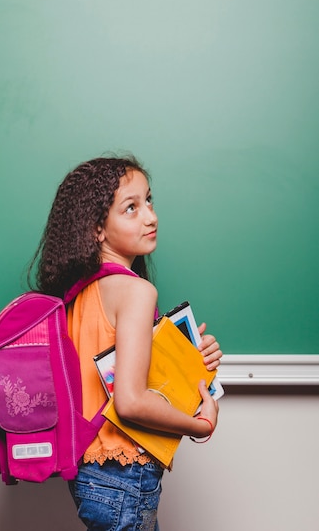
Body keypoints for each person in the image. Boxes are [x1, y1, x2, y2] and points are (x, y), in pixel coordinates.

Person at [28, 155, 222, 531]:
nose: (150, 217)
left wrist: (191, 359)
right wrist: (200, 426)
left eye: (148, 201)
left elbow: (122, 377)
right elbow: (130, 401)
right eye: (130, 209)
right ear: (97, 229)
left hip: (91, 473)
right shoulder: (135, 292)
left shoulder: (79, 293)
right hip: (124, 475)